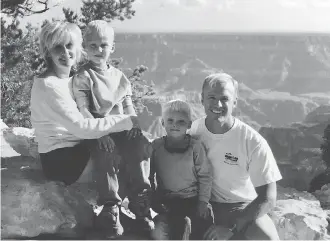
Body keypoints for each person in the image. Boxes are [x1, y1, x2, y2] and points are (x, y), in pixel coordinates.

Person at [30, 20, 150, 239]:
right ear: (48, 50)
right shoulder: (50, 85)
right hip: (62, 161)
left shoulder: (67, 78)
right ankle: (114, 212)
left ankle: (134, 207)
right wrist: (125, 121)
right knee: (116, 153)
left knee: (139, 145)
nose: (65, 52)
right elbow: (83, 127)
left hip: (76, 146)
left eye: (69, 46)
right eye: (58, 47)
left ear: (78, 48)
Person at [71, 20, 154, 236]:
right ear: (85, 48)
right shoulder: (83, 76)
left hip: (121, 128)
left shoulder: (119, 77)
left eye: (104, 45)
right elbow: (83, 109)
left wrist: (134, 122)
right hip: (96, 129)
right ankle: (111, 207)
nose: (99, 50)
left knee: (140, 147)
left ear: (112, 47)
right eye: (93, 46)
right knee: (106, 153)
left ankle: (140, 200)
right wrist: (99, 134)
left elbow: (127, 104)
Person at [189, 73, 282, 240]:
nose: (218, 104)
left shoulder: (252, 141)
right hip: (203, 204)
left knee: (267, 238)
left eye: (224, 98)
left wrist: (231, 228)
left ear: (235, 102)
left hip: (241, 206)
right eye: (211, 97)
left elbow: (268, 197)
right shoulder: (193, 132)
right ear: (201, 99)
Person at [147, 100, 213, 240]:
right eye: (170, 120)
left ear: (189, 124)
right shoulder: (156, 147)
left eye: (181, 121)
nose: (175, 125)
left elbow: (205, 176)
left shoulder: (195, 147)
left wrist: (203, 202)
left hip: (193, 200)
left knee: (199, 229)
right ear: (162, 123)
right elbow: (149, 175)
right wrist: (153, 200)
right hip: (167, 201)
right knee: (161, 231)